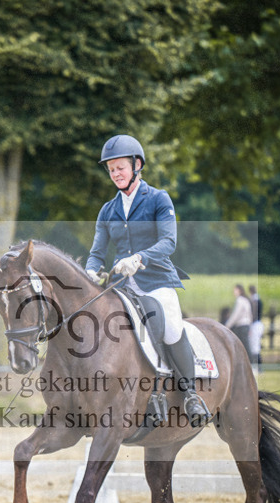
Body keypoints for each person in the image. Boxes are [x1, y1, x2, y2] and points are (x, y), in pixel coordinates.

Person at [85, 134, 211, 427]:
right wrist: (90, 272)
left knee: (170, 327)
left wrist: (139, 258)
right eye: (111, 169)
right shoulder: (108, 210)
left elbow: (168, 242)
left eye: (120, 168)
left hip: (157, 280)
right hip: (122, 286)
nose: (116, 174)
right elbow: (96, 254)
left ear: (137, 165)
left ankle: (190, 395)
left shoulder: (158, 199)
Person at [224, 284, 253, 355]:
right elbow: (250, 315)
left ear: (239, 290)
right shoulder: (245, 300)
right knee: (245, 346)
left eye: (235, 290)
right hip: (246, 325)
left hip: (241, 326)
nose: (234, 292)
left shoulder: (239, 300)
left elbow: (236, 315)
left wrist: (227, 325)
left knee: (240, 346)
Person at [248, 284, 264, 365]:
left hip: (255, 325)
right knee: (256, 346)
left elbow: (253, 315)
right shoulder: (258, 299)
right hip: (259, 324)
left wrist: (249, 325)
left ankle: (257, 365)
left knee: (254, 347)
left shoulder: (254, 301)